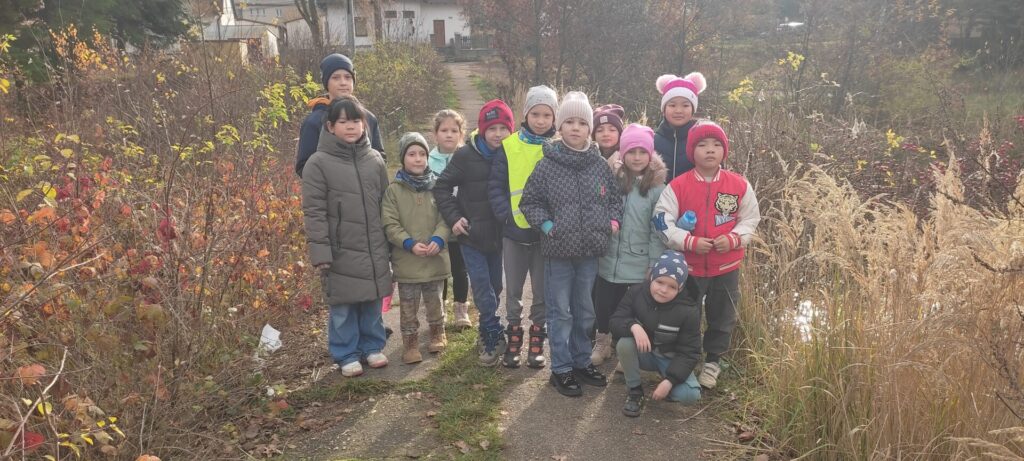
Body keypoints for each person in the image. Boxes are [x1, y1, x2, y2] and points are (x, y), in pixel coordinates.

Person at [520, 91, 623, 396]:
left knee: (585, 311)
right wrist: (548, 226)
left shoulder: (599, 165)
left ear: (589, 128)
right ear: (560, 126)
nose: (576, 128)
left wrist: (612, 222)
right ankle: (562, 367)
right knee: (561, 312)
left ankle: (581, 361)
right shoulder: (547, 165)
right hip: (559, 252)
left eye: (582, 123)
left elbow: (614, 200)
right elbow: (530, 202)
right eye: (569, 122)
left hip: (590, 251)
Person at [653, 121, 761, 389]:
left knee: (722, 316)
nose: (710, 150)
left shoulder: (739, 185)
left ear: (724, 150)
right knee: (683, 314)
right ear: (692, 151)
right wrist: (688, 241)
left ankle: (713, 361)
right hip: (687, 269)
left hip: (726, 266)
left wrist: (734, 239)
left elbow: (750, 219)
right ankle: (679, 359)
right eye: (702, 145)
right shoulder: (678, 186)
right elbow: (661, 221)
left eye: (716, 145)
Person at [301, 96, 391, 377]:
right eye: (343, 121)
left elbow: (387, 204)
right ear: (330, 126)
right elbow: (314, 211)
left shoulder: (375, 160)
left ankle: (372, 346)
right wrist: (320, 251)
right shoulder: (318, 163)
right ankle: (346, 353)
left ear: (364, 124)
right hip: (340, 248)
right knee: (343, 305)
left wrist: (391, 243)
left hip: (373, 244)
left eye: (355, 121)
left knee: (372, 300)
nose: (350, 126)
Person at [433, 100, 515, 366]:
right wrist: (454, 218)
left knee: (496, 286)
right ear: (482, 129)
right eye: (492, 128)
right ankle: (491, 333)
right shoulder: (466, 155)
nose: (498, 134)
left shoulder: (513, 154)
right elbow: (442, 187)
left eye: (503, 128)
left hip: (501, 235)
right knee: (481, 286)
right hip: (472, 235)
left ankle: (488, 325)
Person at [488, 85, 558, 369]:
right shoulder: (509, 146)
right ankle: (514, 337)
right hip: (514, 233)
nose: (541, 121)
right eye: (535, 114)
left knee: (541, 291)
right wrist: (505, 216)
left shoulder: (557, 148)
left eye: (547, 115)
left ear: (554, 118)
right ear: (526, 114)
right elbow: (496, 186)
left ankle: (537, 340)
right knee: (514, 291)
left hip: (545, 236)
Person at [591, 123, 667, 366]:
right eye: (631, 152)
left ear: (650, 155)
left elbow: (658, 231)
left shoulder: (657, 190)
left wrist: (653, 263)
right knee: (604, 304)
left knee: (634, 309)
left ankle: (627, 350)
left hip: (638, 262)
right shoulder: (611, 181)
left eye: (642, 152)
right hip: (609, 258)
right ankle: (603, 341)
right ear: (622, 154)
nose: (636, 157)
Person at [382, 132, 451, 364]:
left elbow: (446, 217)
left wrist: (439, 239)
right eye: (412, 154)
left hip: (434, 257)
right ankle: (410, 343)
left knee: (435, 300)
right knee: (408, 305)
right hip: (407, 260)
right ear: (403, 158)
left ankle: (437, 332)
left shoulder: (438, 186)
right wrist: (408, 243)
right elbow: (390, 223)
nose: (418, 158)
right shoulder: (394, 191)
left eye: (422, 153)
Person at [610, 250, 702, 416]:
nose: (663, 290)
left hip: (669, 359)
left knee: (690, 395)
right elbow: (616, 320)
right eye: (660, 282)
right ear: (652, 277)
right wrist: (633, 326)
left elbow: (690, 352)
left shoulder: (689, 311)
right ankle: (635, 390)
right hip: (644, 353)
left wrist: (670, 381)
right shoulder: (636, 292)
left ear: (681, 288)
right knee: (624, 344)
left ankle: (666, 387)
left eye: (672, 286)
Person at [296, 53, 385, 177]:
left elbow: (380, 158)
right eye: (336, 78)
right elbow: (304, 167)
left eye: (348, 77)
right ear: (326, 82)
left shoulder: (368, 118)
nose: (343, 83)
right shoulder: (314, 121)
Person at [428, 110, 472, 329]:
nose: (449, 135)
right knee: (441, 270)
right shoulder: (428, 161)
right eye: (444, 130)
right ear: (435, 134)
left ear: (461, 134)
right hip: (437, 224)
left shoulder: (467, 158)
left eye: (454, 130)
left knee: (460, 268)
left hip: (460, 223)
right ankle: (441, 308)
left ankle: (461, 308)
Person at [653, 72, 706, 179]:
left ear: (693, 109)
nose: (678, 110)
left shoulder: (702, 139)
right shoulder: (653, 140)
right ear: (664, 109)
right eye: (672, 105)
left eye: (685, 105)